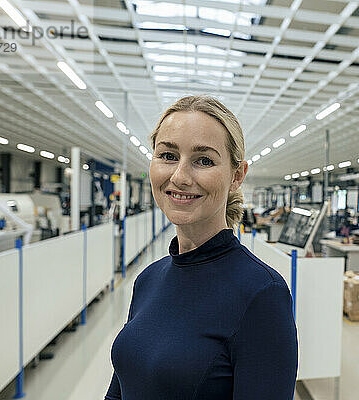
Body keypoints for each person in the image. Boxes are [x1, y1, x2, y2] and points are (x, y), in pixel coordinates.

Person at [105, 96, 298, 400]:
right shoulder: (148, 280)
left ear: (237, 175)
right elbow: (119, 392)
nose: (179, 176)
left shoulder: (262, 293)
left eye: (204, 160)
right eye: (168, 155)